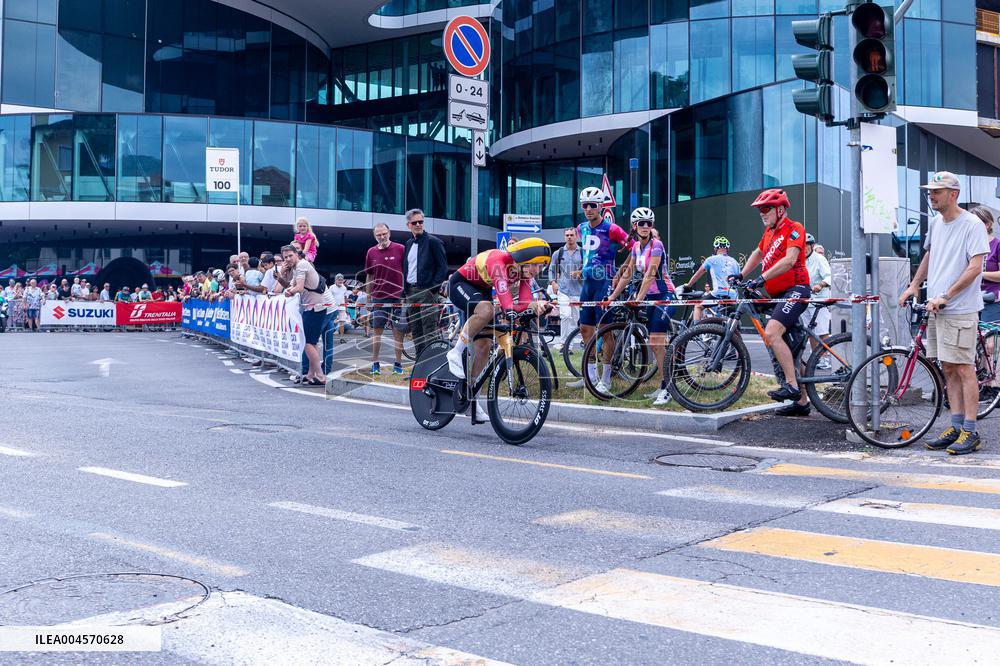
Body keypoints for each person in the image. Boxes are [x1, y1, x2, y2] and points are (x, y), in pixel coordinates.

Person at [899, 172, 989, 455]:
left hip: (959, 308)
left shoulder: (972, 224)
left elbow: (975, 267)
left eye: (937, 191)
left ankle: (971, 432)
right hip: (937, 308)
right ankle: (955, 425)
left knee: (964, 368)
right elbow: (929, 255)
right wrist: (914, 285)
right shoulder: (937, 224)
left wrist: (947, 295)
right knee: (947, 367)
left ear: (953, 194)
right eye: (930, 191)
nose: (931, 195)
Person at [445, 238, 553, 420]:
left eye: (541, 267)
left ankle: (471, 399)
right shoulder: (499, 261)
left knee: (484, 349)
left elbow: (523, 305)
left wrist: (536, 307)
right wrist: (527, 306)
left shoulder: (525, 275)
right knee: (486, 309)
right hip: (460, 284)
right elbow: (508, 305)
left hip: (481, 290)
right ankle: (455, 352)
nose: (536, 270)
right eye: (534, 264)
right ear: (524, 258)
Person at [738, 188, 812, 416]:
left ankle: (790, 385)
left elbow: (790, 261)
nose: (762, 213)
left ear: (780, 210)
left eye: (766, 209)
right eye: (760, 210)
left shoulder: (794, 228)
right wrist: (741, 275)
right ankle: (802, 402)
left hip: (796, 290)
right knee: (789, 347)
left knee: (771, 333)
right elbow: (757, 254)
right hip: (779, 295)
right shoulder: (769, 233)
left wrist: (760, 278)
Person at [608, 208, 677, 405]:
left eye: (649, 223)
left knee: (656, 342)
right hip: (649, 298)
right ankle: (664, 385)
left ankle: (668, 388)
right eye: (641, 223)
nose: (645, 226)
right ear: (634, 226)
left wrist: (638, 297)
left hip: (665, 295)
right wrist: (612, 297)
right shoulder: (636, 247)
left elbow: (650, 275)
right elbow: (628, 274)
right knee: (656, 345)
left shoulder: (657, 245)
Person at [567, 186, 632, 389]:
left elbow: (633, 249)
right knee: (585, 328)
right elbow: (588, 255)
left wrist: (622, 271)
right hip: (587, 284)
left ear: (601, 207)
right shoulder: (581, 228)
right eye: (585, 205)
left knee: (605, 330)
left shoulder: (612, 229)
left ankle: (606, 379)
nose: (588, 209)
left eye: (592, 205)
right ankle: (591, 376)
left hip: (604, 283)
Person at [280, 244, 334, 385]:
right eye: (285, 257)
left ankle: (320, 375)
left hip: (315, 308)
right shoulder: (297, 267)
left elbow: (298, 287)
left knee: (307, 343)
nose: (288, 259)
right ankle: (311, 374)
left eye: (290, 255)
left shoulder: (302, 265)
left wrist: (290, 291)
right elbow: (290, 285)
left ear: (296, 254)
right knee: (312, 342)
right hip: (314, 307)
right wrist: (285, 275)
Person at [402, 208, 448, 355]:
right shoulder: (408, 244)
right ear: (408, 225)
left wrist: (432, 289)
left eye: (420, 221)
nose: (418, 225)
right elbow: (407, 268)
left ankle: (431, 367)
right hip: (411, 292)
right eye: (414, 222)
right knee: (416, 331)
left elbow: (443, 268)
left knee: (429, 331)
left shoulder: (434, 242)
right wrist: (405, 291)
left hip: (427, 292)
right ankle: (420, 366)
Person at [365, 223, 407, 376]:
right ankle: (375, 363)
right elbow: (369, 275)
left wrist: (406, 294)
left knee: (398, 332)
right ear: (374, 236)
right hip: (378, 297)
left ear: (389, 232)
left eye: (384, 234)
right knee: (377, 332)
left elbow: (407, 272)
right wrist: (368, 297)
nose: (381, 237)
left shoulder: (400, 249)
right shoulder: (371, 252)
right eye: (378, 235)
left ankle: (398, 364)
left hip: (397, 297)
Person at [683, 236, 741, 321]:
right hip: (733, 295)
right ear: (727, 249)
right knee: (732, 320)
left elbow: (697, 274)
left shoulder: (711, 259)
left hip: (718, 292)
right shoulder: (735, 262)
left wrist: (688, 285)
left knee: (698, 306)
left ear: (715, 248)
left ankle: (696, 332)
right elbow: (739, 280)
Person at [548, 226, 583, 347]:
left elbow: (588, 269)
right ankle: (563, 344)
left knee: (574, 319)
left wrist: (580, 273)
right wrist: (553, 282)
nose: (569, 237)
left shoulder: (583, 252)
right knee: (565, 315)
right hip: (563, 290)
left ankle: (570, 345)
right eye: (567, 235)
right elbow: (551, 269)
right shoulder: (558, 253)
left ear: (576, 236)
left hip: (578, 291)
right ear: (564, 237)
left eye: (572, 235)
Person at [802, 233, 833, 369]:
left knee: (822, 331)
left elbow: (830, 276)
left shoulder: (819, 259)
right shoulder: (799, 260)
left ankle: (828, 357)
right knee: (811, 332)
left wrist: (820, 285)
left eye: (806, 247)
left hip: (819, 301)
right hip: (805, 301)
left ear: (812, 246)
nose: (803, 249)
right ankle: (817, 358)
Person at [976, 207, 1000, 323]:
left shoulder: (997, 245)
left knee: (989, 339)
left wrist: (978, 273)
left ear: (987, 225)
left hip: (992, 300)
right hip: (969, 301)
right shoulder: (968, 245)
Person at [330, 274, 350, 342]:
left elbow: (345, 297)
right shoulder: (332, 287)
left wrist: (346, 307)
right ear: (335, 280)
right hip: (333, 307)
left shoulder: (344, 287)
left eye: (341, 280)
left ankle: (342, 338)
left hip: (342, 307)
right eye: (339, 280)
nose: (340, 281)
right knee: (331, 322)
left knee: (342, 323)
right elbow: (329, 297)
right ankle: (330, 337)